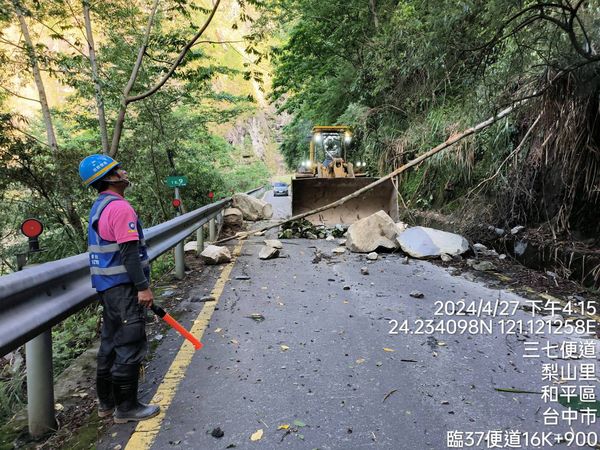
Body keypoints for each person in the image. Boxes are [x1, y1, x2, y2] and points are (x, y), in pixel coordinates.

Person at [79, 154, 160, 423]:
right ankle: (126, 408)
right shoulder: (120, 208)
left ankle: (106, 403)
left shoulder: (99, 205)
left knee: (110, 343)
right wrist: (143, 288)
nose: (124, 172)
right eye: (118, 170)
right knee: (130, 343)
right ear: (110, 178)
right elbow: (129, 253)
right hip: (124, 288)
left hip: (107, 289)